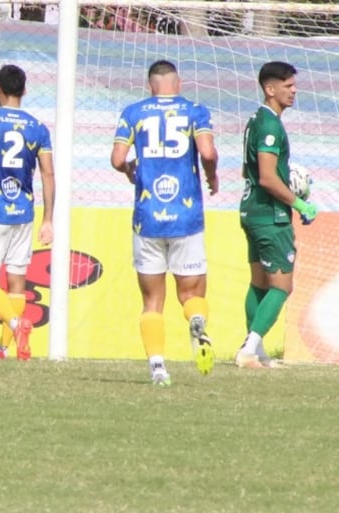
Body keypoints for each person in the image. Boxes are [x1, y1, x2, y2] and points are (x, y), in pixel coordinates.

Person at [110, 60, 219, 386]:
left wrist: (129, 169)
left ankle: (158, 367)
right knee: (190, 293)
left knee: (152, 301)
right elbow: (208, 153)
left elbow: (117, 159)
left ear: (150, 85)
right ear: (179, 83)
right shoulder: (195, 111)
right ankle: (196, 320)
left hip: (148, 218)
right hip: (186, 216)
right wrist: (211, 176)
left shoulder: (134, 112)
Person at [0, 64, 55, 361]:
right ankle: (3, 349)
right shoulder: (38, 128)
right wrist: (48, 219)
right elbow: (47, 174)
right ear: (25, 90)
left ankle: (17, 326)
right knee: (17, 283)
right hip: (24, 213)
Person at [236, 61, 318, 369]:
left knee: (259, 282)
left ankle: (255, 352)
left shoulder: (256, 120)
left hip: (250, 209)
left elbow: (248, 169)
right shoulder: (270, 125)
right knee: (282, 286)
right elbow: (269, 178)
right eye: (287, 85)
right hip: (271, 215)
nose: (294, 90)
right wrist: (299, 203)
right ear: (270, 89)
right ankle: (248, 350)